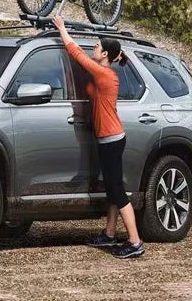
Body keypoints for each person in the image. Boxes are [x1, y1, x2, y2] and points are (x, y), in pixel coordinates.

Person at [51, 15, 145, 259]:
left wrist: (62, 28)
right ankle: (110, 234)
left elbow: (76, 53)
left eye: (97, 47)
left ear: (104, 55)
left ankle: (135, 242)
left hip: (112, 139)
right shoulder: (103, 72)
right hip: (108, 138)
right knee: (113, 189)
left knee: (117, 191)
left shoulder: (105, 74)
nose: (93, 49)